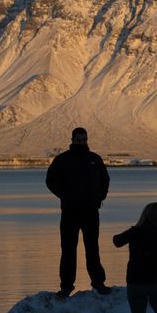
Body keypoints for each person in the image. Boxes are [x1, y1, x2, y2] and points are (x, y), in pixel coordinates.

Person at [46, 127, 111, 298]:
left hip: (90, 211)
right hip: (70, 212)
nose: (81, 142)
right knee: (68, 249)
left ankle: (98, 283)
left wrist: (99, 197)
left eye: (84, 139)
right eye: (78, 140)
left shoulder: (94, 159)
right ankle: (66, 286)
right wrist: (65, 195)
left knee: (92, 248)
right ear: (72, 140)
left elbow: (105, 179)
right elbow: (50, 180)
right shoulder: (62, 160)